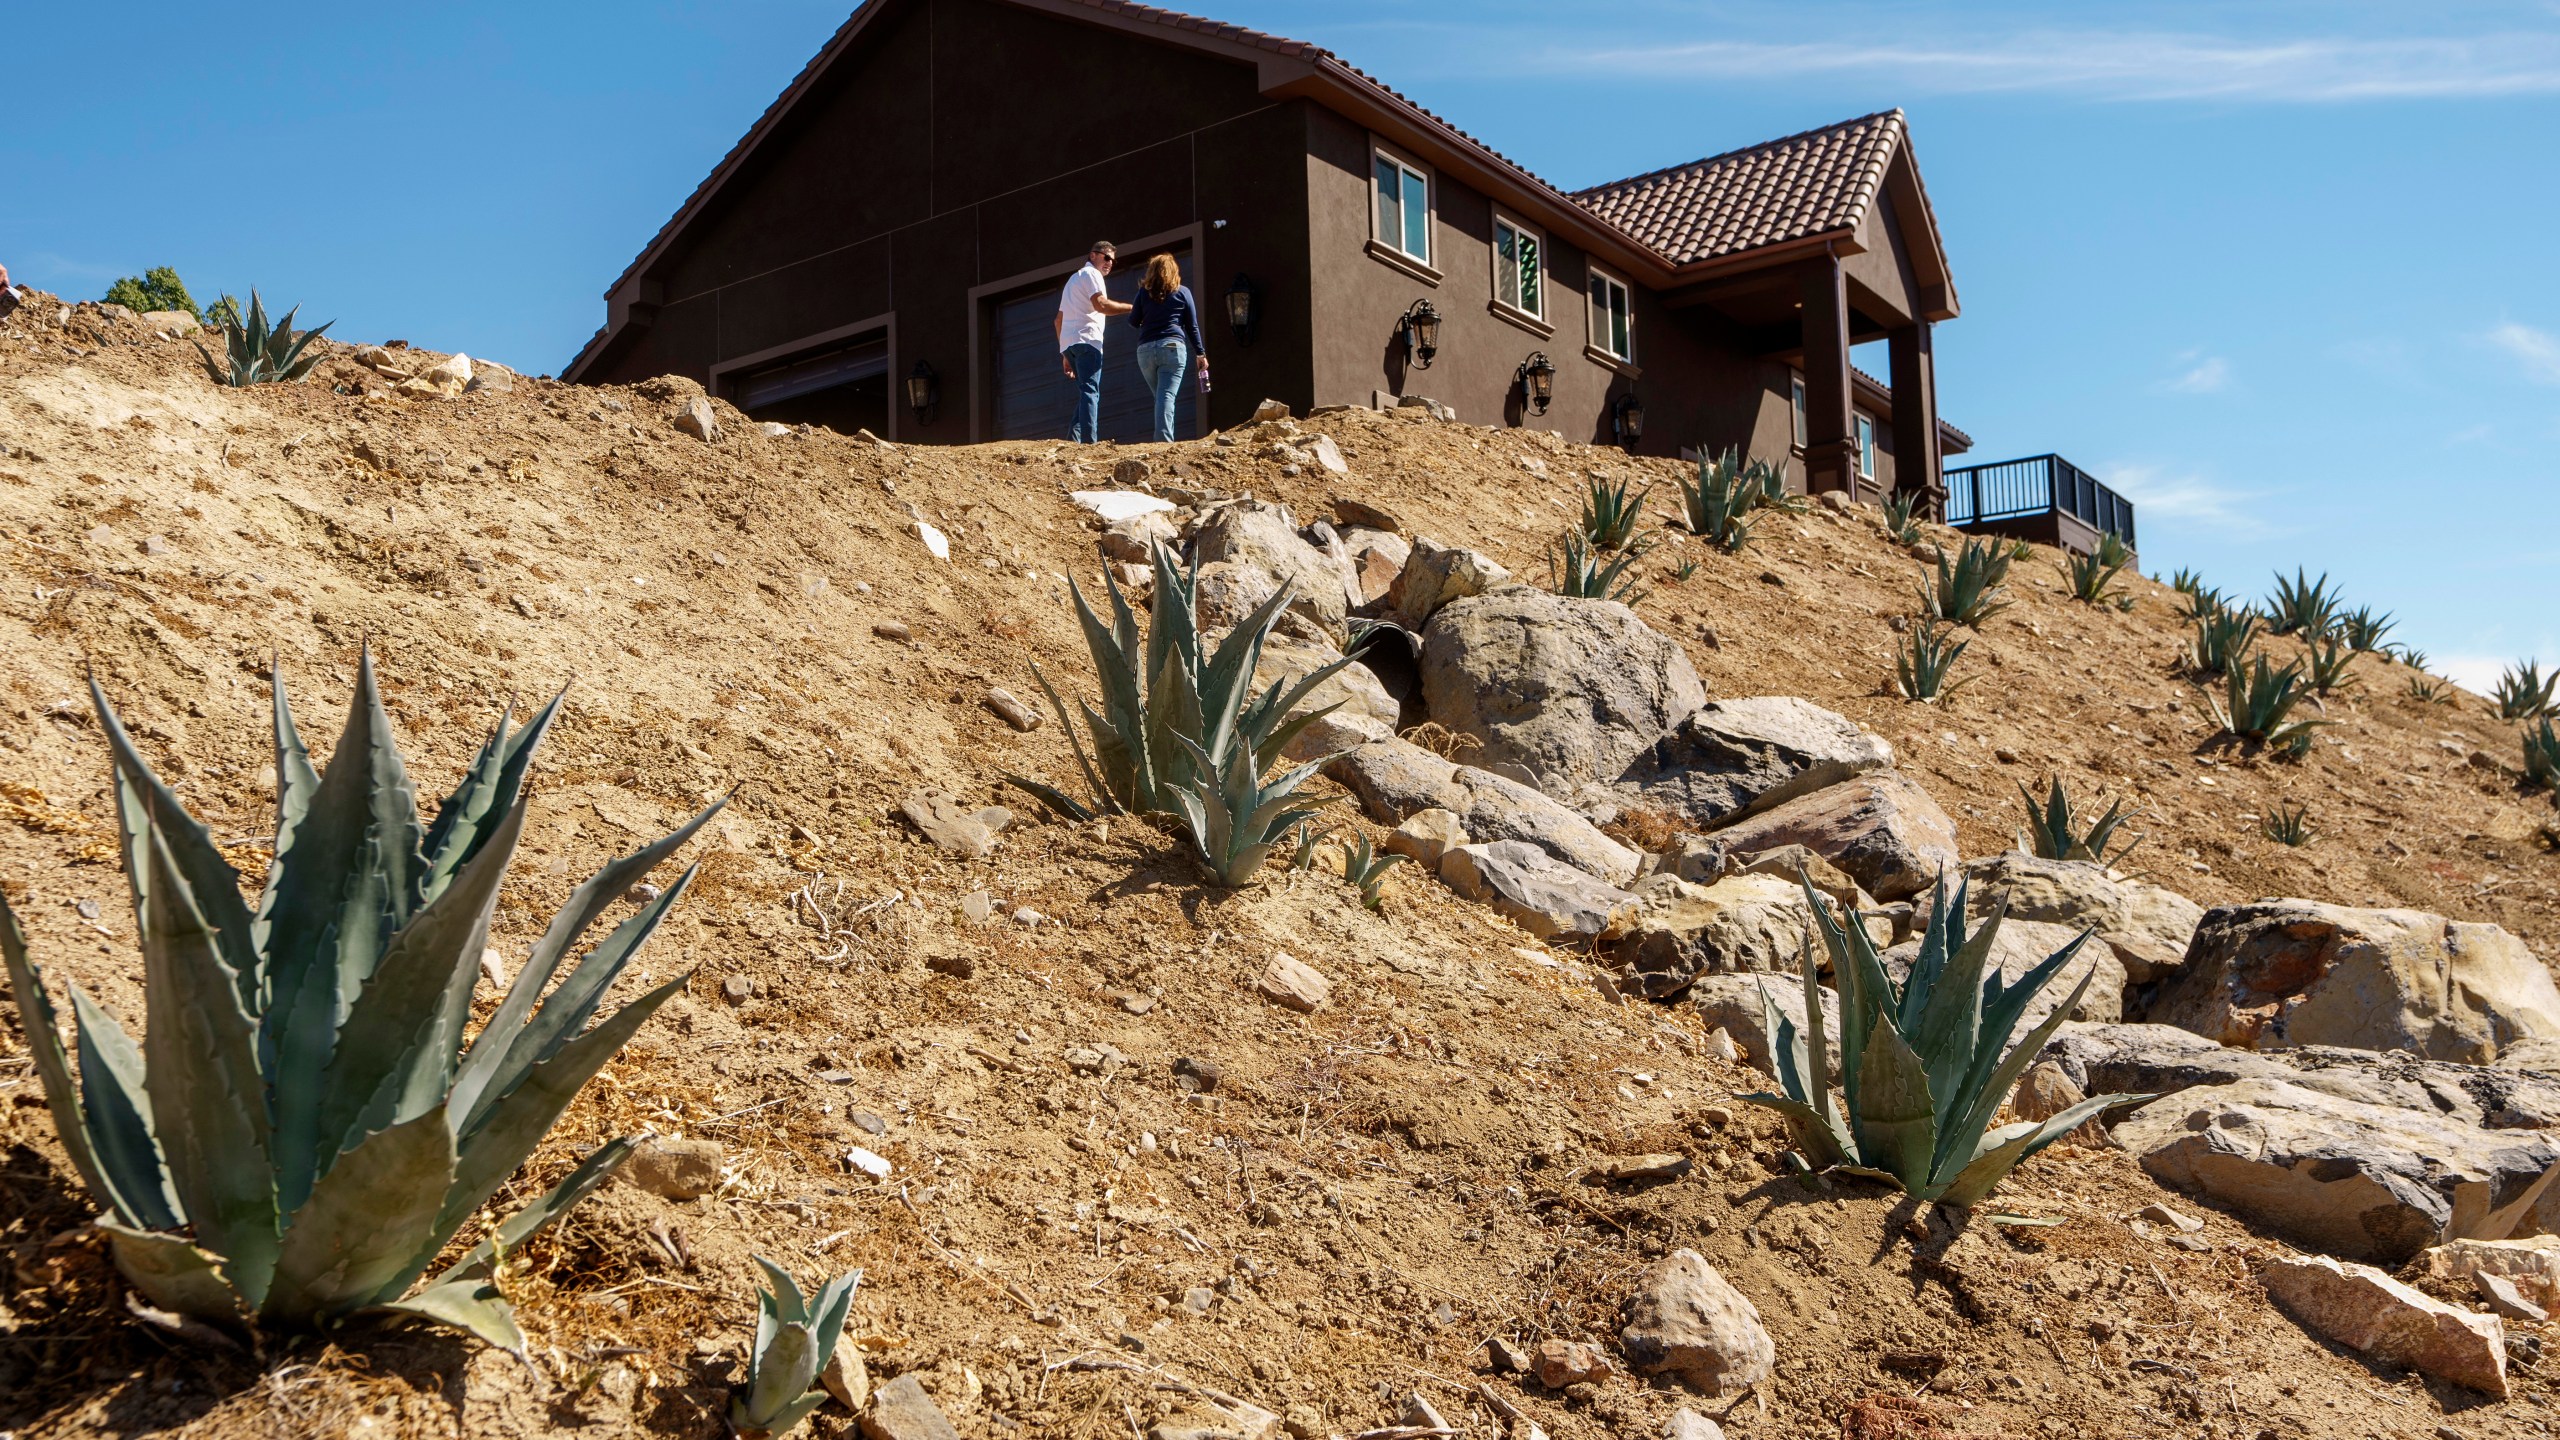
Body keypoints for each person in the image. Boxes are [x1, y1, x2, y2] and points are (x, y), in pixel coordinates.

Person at [1054, 241, 1132, 442]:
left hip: (1071, 345)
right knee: (1090, 391)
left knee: (1086, 392)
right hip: (1088, 341)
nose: (1110, 263)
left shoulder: (1072, 280)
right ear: (1093, 255)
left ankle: (1074, 439)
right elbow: (1101, 305)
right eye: (1106, 257)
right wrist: (1133, 308)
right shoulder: (1092, 275)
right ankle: (1090, 442)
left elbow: (1058, 321)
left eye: (1113, 260)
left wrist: (1065, 354)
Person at [1127, 252, 1208, 443]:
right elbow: (1192, 325)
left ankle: (1165, 439)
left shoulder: (1142, 293)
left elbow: (1132, 321)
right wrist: (1200, 353)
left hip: (1145, 351)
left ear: (1152, 271)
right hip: (1172, 347)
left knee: (1162, 397)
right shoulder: (1183, 292)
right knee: (1166, 396)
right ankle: (1163, 442)